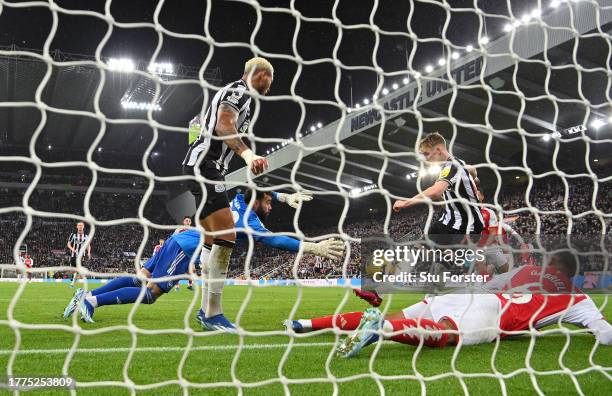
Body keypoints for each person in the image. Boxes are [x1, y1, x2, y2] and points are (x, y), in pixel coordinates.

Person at [285, 252, 612, 357]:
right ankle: (382, 330)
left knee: (391, 314)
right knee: (445, 333)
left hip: (465, 293)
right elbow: (603, 332)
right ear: (573, 273)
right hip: (492, 313)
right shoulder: (576, 296)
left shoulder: (526, 268)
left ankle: (304, 324)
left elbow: (493, 282)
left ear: (550, 261)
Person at [181, 57, 271, 330]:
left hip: (203, 167)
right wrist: (248, 153)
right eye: (267, 78)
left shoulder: (240, 95)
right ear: (257, 74)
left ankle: (205, 311)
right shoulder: (238, 90)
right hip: (205, 166)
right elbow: (223, 125)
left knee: (211, 240)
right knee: (228, 235)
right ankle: (213, 314)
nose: (269, 84)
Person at [195, 188, 345, 329]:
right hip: (190, 244)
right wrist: (315, 248)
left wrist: (283, 197)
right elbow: (276, 240)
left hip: (203, 241)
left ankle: (205, 312)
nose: (270, 207)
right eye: (267, 203)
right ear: (255, 203)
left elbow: (257, 190)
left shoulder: (240, 199)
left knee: (210, 269)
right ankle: (212, 316)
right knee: (213, 268)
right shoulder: (248, 221)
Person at [63, 229, 201, 323]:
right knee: (152, 293)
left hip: (176, 240)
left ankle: (85, 295)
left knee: (138, 280)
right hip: (184, 248)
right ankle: (91, 302)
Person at [66, 222, 91, 288]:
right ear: (77, 226)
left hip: (81, 255)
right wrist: (72, 249)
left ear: (83, 227)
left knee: (78, 270)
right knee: (72, 271)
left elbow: (88, 245)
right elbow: (68, 244)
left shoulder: (86, 236)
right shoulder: (73, 234)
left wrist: (88, 252)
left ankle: (72, 284)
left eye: (81, 225)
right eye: (79, 225)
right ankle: (72, 279)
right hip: (73, 255)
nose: (80, 226)